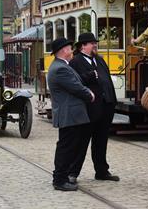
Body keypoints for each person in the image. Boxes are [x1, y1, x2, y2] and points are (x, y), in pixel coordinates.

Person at [69, 33, 120, 183]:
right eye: (91, 43)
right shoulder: (75, 62)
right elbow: (75, 82)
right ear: (83, 46)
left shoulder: (99, 60)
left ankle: (102, 171)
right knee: (82, 141)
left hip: (105, 106)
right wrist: (89, 76)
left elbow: (107, 80)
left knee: (101, 141)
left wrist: (112, 101)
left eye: (94, 43)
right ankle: (73, 172)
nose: (94, 45)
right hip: (89, 108)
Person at [47, 38, 95, 191]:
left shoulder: (63, 66)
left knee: (71, 146)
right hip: (68, 113)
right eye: (69, 48)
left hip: (72, 114)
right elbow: (76, 87)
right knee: (66, 147)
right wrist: (89, 94)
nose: (72, 50)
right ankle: (59, 180)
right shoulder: (60, 68)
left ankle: (64, 176)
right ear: (63, 51)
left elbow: (77, 83)